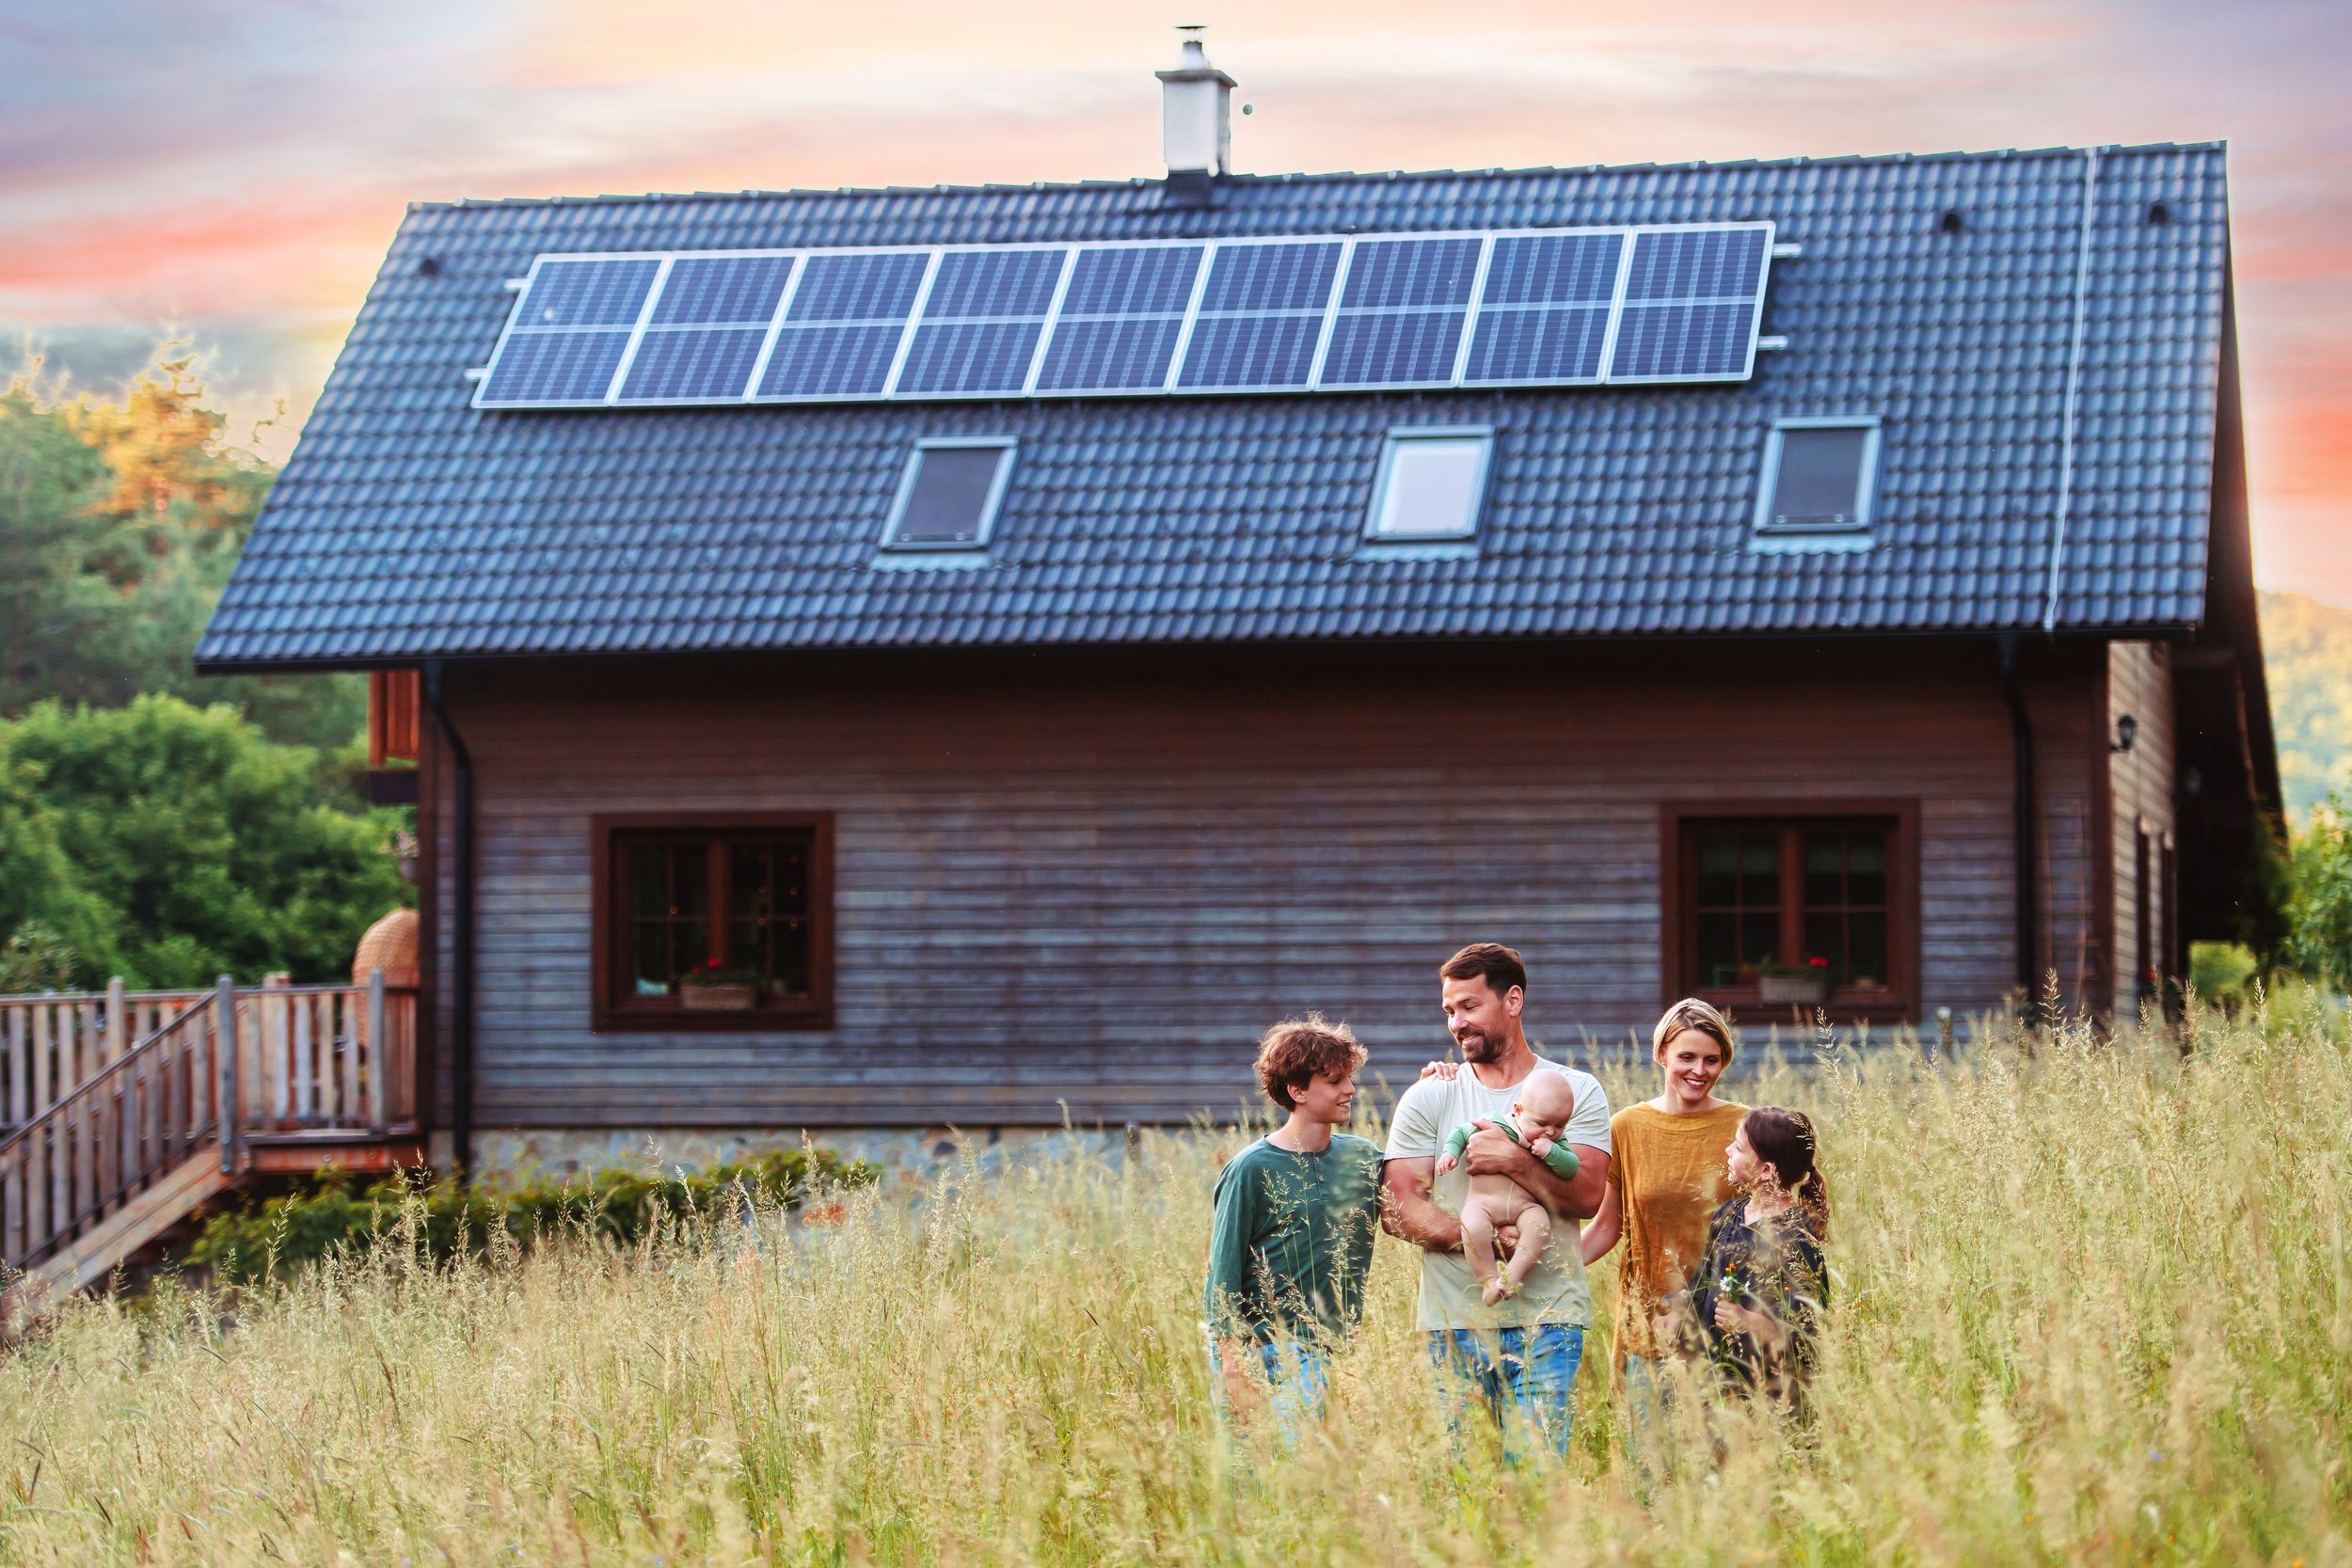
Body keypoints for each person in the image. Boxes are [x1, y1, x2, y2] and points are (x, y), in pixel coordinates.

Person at [1383, 943, 1612, 1459]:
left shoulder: (1576, 1091)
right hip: (1454, 1322)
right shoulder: (1430, 1095)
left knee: (1536, 1486)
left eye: (1468, 1006)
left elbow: (1588, 1195)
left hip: (1550, 1321)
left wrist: (1513, 1160)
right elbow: (1398, 1207)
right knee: (1469, 1492)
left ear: (1513, 1000)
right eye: (1448, 1011)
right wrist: (1482, 1241)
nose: (1456, 1024)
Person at [1576, 999, 1748, 1470]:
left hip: (1724, 1331)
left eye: (1711, 1059)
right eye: (1686, 1058)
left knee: (1718, 1481)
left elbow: (1760, 1232)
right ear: (1662, 1055)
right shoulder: (1627, 1128)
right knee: (1651, 1481)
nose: (1699, 1070)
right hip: (1649, 1331)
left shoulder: (1743, 1126)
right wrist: (1542, 1265)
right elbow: (1608, 1227)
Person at [1203, 1015, 1385, 1433]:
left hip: (1319, 1349)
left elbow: (1414, 1188)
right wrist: (1233, 1367)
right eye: (1336, 1080)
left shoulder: (1363, 1158)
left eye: (1349, 1078)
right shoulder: (1250, 1168)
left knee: (1302, 1469)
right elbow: (1223, 1272)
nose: (1350, 1090)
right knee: (1248, 1478)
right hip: (1254, 1349)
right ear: (1297, 1090)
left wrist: (1440, 1082)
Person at [1661, 1106, 1831, 1424]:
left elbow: (1807, 1332)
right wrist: (1676, 1312)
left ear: (1766, 1171)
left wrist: (1749, 1321)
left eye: (1738, 1147)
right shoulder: (1728, 1215)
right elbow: (1702, 1282)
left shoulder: (1796, 1240)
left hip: (1771, 1397)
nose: (1728, 1150)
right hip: (1719, 1385)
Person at [1435, 1069, 1581, 1305]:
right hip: (1483, 1203)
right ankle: (1489, 1282)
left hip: (1525, 1206)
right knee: (1472, 1227)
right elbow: (1461, 1132)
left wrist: (1551, 1151)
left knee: (1539, 1225)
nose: (1551, 1132)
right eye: (1542, 1123)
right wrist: (1450, 1153)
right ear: (1519, 1110)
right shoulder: (1496, 1123)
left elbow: (1571, 1168)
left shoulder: (1555, 1142)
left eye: (1560, 1125)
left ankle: (1512, 1277)